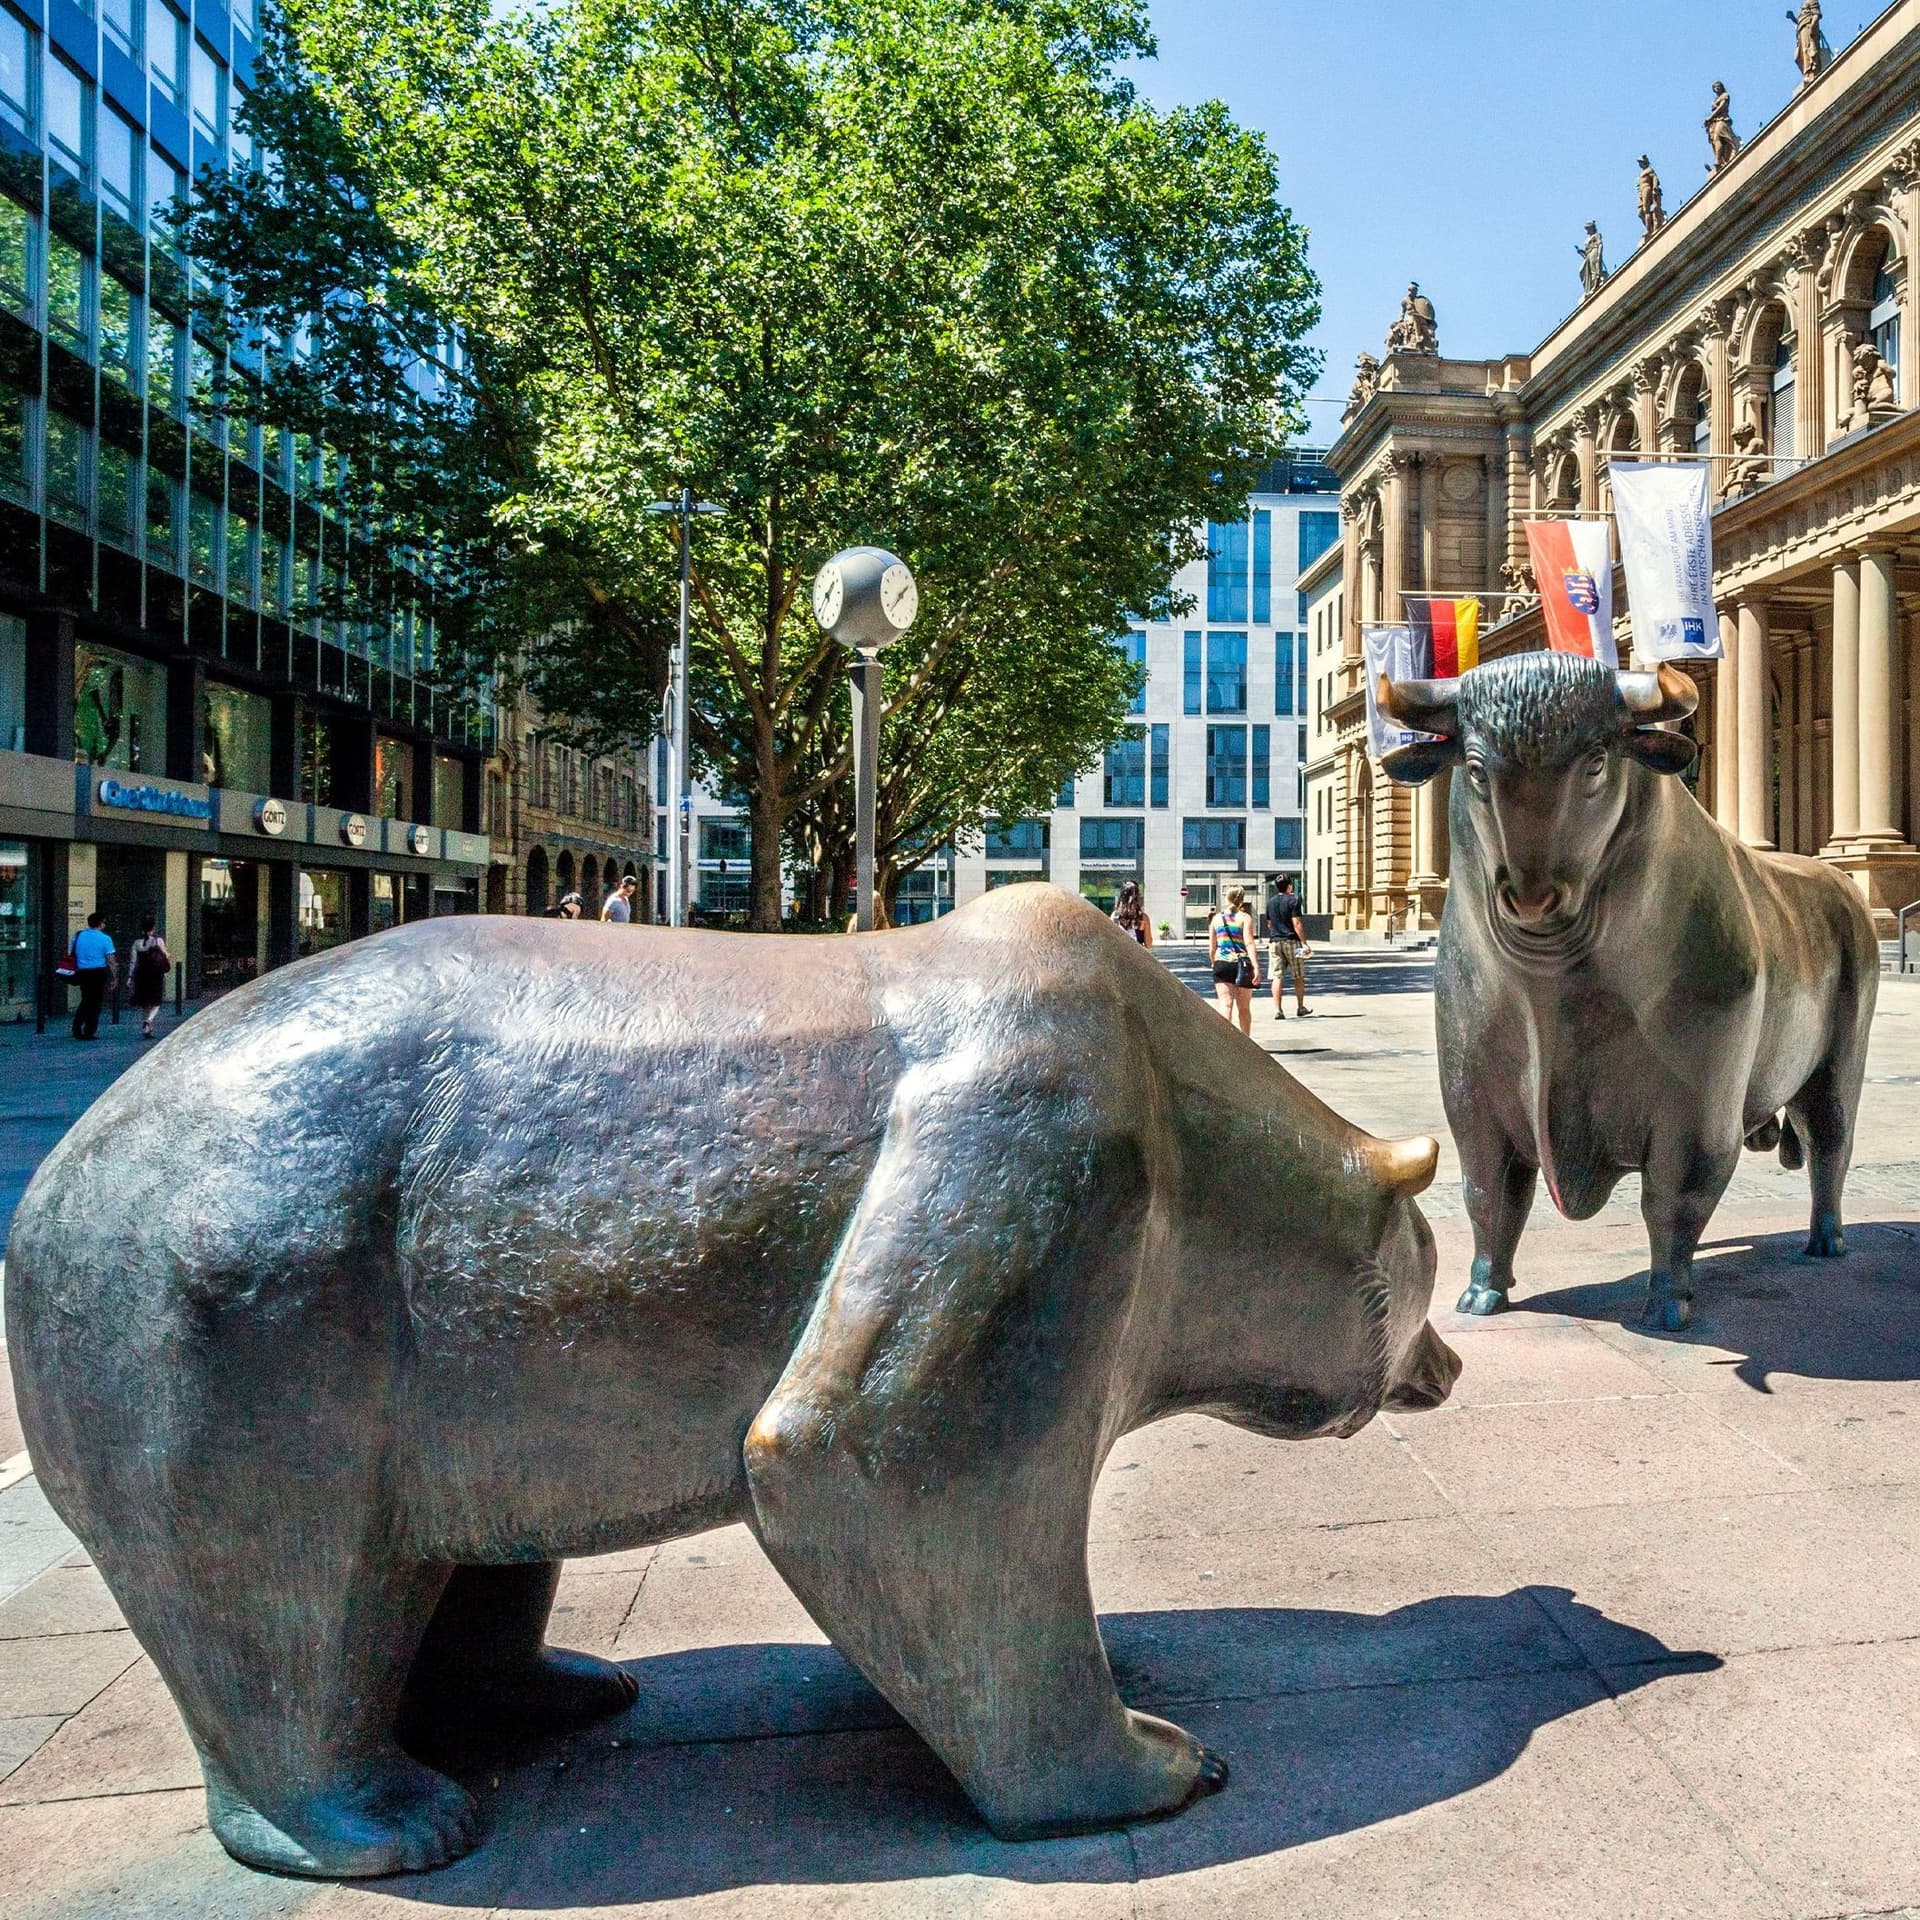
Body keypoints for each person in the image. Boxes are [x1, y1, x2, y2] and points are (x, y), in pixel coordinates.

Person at [1208, 887, 1259, 1036]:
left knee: (1225, 1004)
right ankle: (1246, 1042)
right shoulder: (1245, 918)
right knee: (1244, 1008)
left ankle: (1227, 1042)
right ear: (1242, 900)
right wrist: (1255, 966)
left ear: (1227, 899)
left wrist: (1214, 962)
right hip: (1242, 964)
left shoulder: (1216, 919)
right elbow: (1249, 943)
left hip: (1221, 964)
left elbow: (1212, 947)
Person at [1262, 879, 1312, 1020]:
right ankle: (1300, 1007)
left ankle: (1278, 1010)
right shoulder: (1293, 900)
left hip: (1274, 942)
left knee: (1277, 976)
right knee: (1298, 974)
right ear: (1289, 886)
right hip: (1292, 941)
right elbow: (1297, 923)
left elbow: (1269, 923)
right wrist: (1304, 943)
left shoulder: (1270, 902)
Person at [68, 912, 115, 1042]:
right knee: (96, 1003)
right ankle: (89, 1030)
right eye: (104, 922)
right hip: (98, 972)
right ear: (100, 924)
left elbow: (72, 952)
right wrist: (114, 977)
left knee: (85, 1000)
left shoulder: (78, 936)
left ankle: (76, 1027)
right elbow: (110, 960)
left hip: (82, 971)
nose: (105, 924)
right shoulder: (105, 939)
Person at [128, 916, 172, 1041]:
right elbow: (165, 955)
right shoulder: (158, 941)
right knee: (156, 1002)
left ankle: (147, 1029)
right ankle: (149, 1020)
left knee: (144, 1002)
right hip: (155, 974)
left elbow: (133, 961)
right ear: (153, 928)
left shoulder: (136, 943)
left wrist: (130, 977)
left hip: (141, 974)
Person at [1110, 879, 1153, 948]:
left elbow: (1110, 940)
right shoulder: (1143, 918)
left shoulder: (1115, 916)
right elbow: (1148, 944)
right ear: (1137, 897)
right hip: (1136, 956)